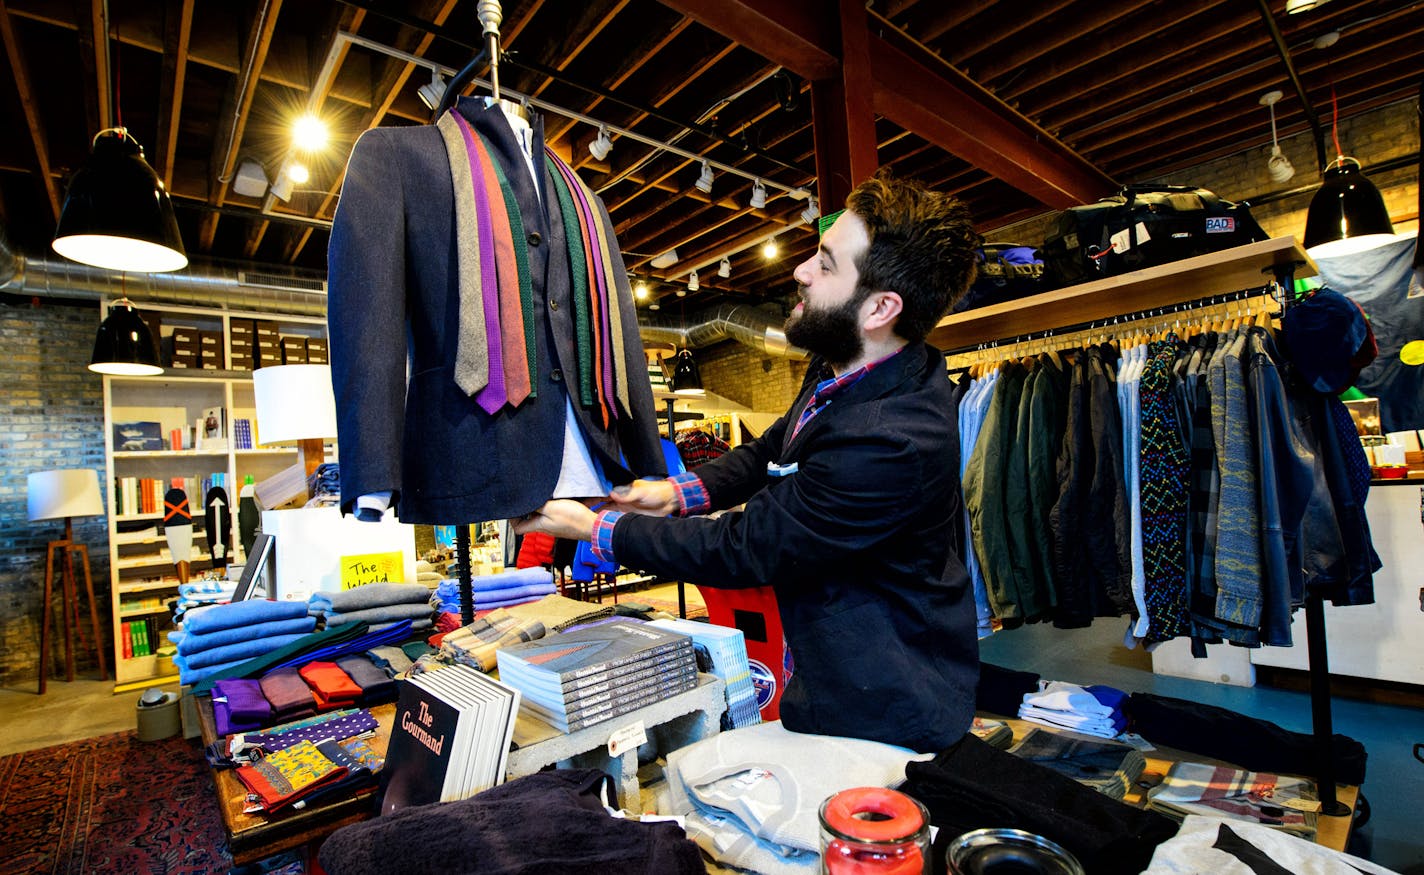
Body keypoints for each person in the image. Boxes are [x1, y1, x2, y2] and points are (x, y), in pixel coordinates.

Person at [515, 170, 981, 753]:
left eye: (827, 264)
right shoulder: (843, 367)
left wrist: (594, 528)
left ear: (881, 308)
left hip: (887, 699)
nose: (801, 271)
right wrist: (677, 493)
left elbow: (745, 548)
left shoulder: (891, 440)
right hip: (833, 658)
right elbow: (773, 450)